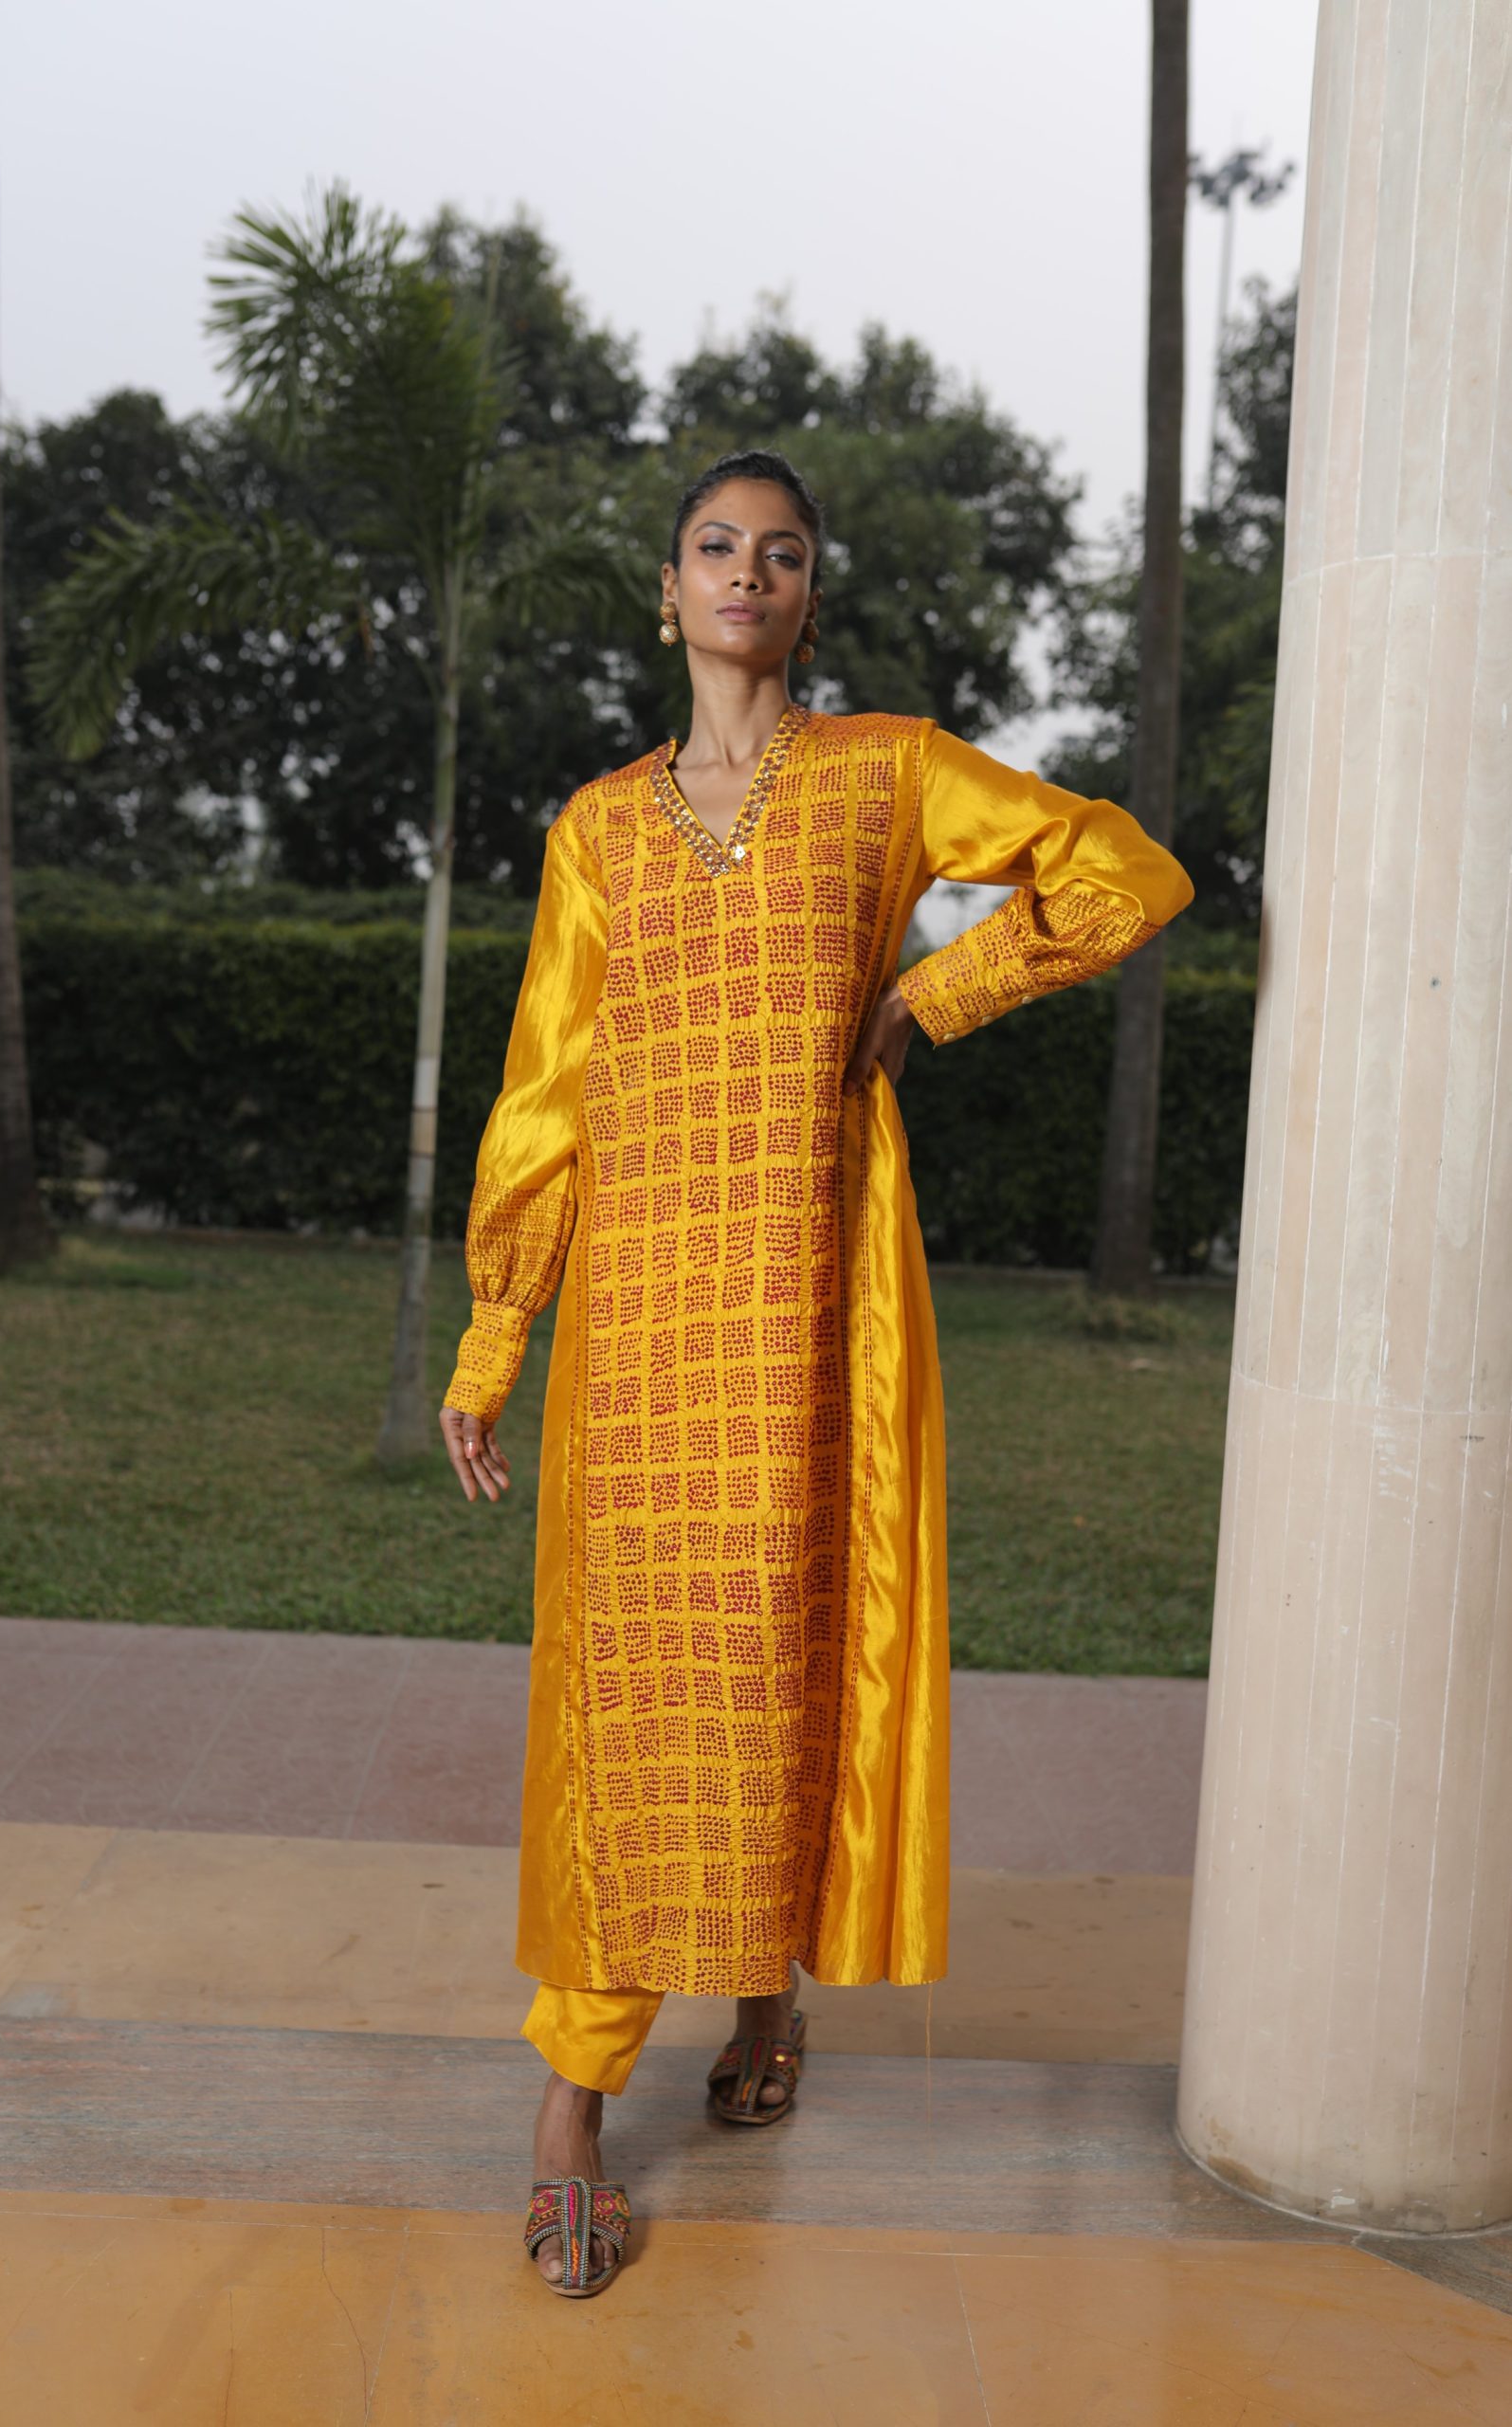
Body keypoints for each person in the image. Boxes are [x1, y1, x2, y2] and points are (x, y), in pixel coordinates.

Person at [440, 448, 1193, 2296]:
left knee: (783, 1652)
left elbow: (1118, 872)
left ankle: (767, 1989)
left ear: (808, 596)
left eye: (780, 553)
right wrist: (497, 1327)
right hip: (640, 1320)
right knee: (632, 1690)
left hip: (810, 1304)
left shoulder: (887, 772)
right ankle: (569, 2099)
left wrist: (931, 994)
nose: (746, 573)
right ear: (669, 587)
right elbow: (547, 1085)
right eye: (716, 546)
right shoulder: (598, 827)